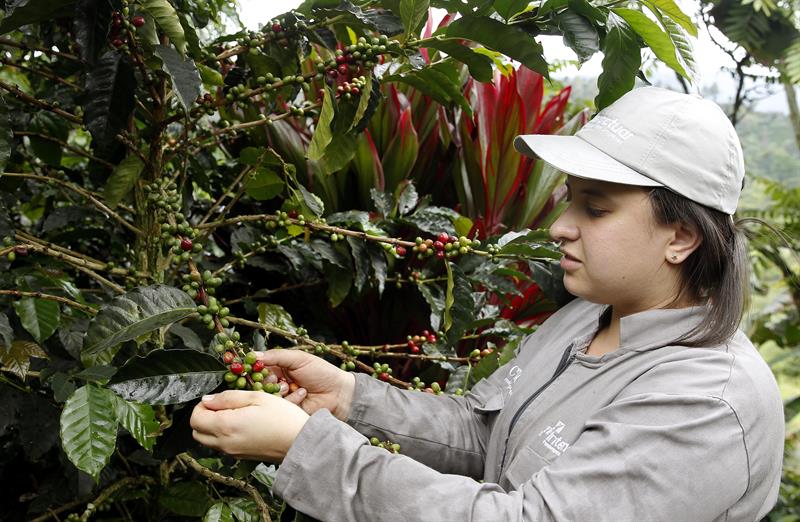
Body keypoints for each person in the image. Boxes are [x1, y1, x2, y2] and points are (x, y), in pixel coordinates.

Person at [190, 86, 785, 521]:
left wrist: (308, 448)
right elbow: (485, 437)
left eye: (594, 208)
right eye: (568, 200)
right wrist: (348, 398)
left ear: (682, 237)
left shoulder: (705, 403)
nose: (559, 227)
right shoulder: (588, 314)